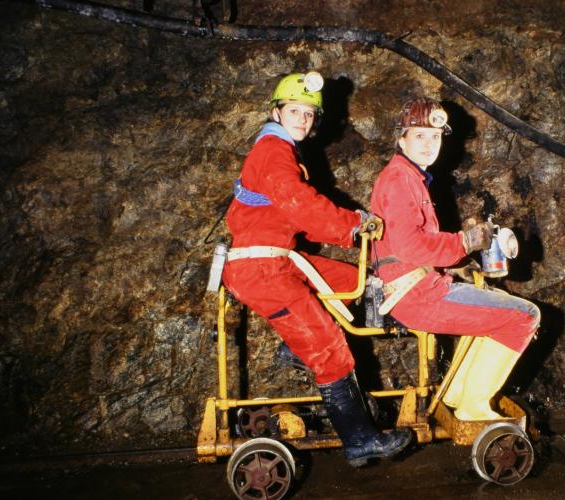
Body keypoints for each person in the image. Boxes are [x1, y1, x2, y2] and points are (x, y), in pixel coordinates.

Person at [221, 72, 411, 466]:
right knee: (330, 350)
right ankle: (360, 442)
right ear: (276, 111)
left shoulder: (281, 149)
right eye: (295, 111)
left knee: (355, 281)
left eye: (309, 114)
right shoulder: (273, 149)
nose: (303, 120)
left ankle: (295, 347)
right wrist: (353, 225)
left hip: (279, 258)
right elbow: (301, 205)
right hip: (261, 268)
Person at [369, 97, 541, 421]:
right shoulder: (400, 180)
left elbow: (410, 244)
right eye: (419, 136)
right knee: (524, 316)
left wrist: (458, 262)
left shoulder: (408, 177)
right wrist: (464, 242)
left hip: (417, 287)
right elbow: (409, 246)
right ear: (401, 138)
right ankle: (472, 408)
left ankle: (458, 393)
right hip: (417, 296)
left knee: (501, 303)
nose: (429, 144)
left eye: (435, 137)